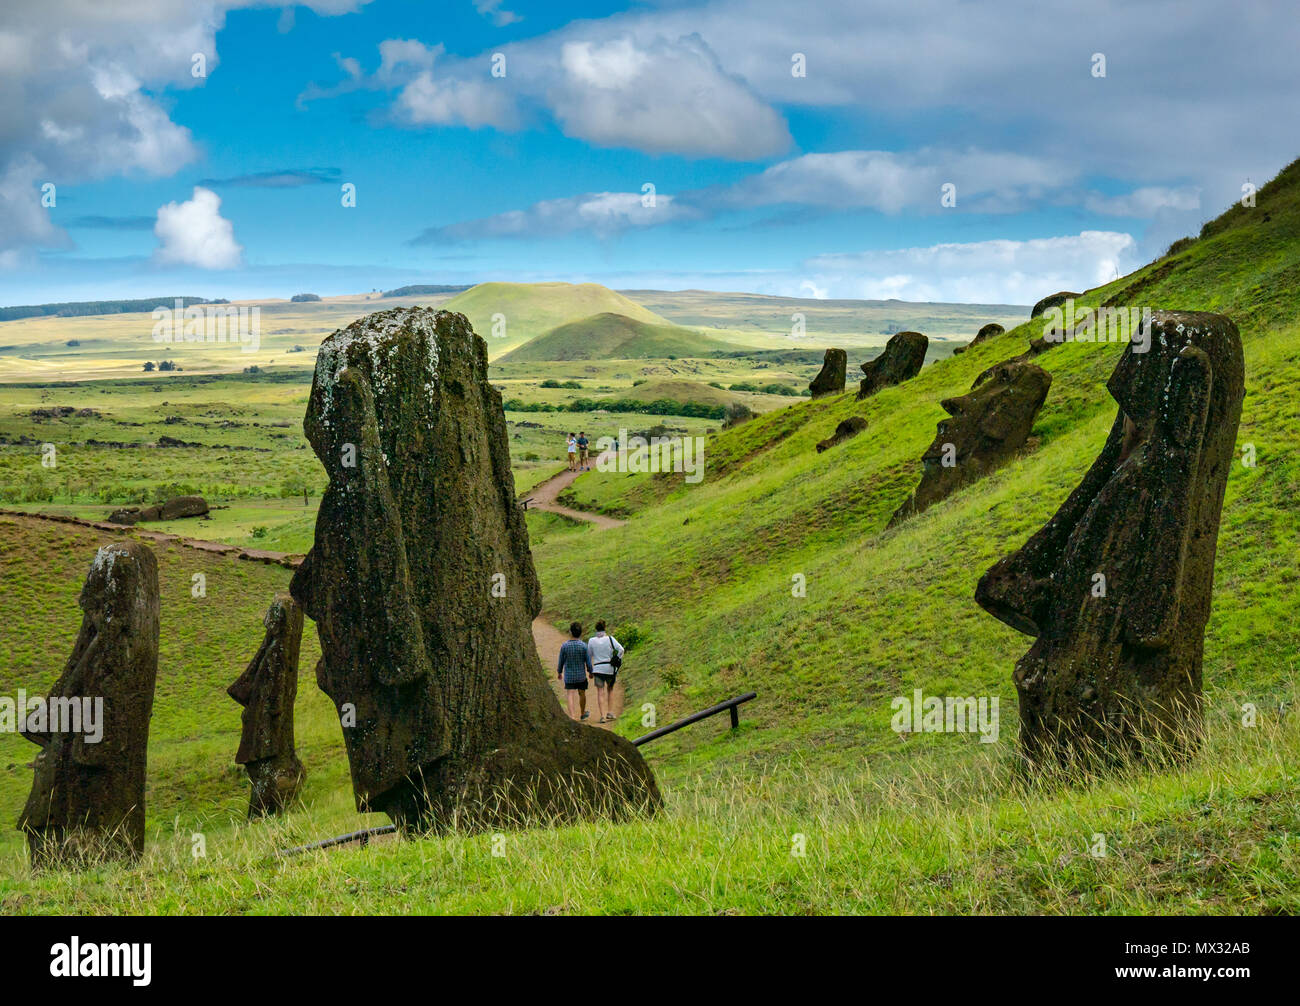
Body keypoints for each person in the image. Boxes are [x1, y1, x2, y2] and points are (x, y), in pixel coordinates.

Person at [586, 620, 625, 723]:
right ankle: (610, 712)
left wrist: (590, 670)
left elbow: (589, 657)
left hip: (597, 668)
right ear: (605, 628)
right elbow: (621, 649)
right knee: (610, 690)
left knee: (600, 692)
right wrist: (617, 658)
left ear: (596, 629)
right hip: (609, 668)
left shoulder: (591, 641)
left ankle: (602, 716)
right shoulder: (610, 639)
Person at [556, 621, 592, 720]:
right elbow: (588, 661)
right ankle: (582, 713)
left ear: (570, 632)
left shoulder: (564, 646)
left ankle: (572, 716)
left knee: (570, 694)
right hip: (581, 676)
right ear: (580, 633)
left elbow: (561, 661)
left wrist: (559, 672)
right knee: (582, 693)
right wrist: (590, 672)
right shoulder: (584, 646)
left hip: (569, 676)